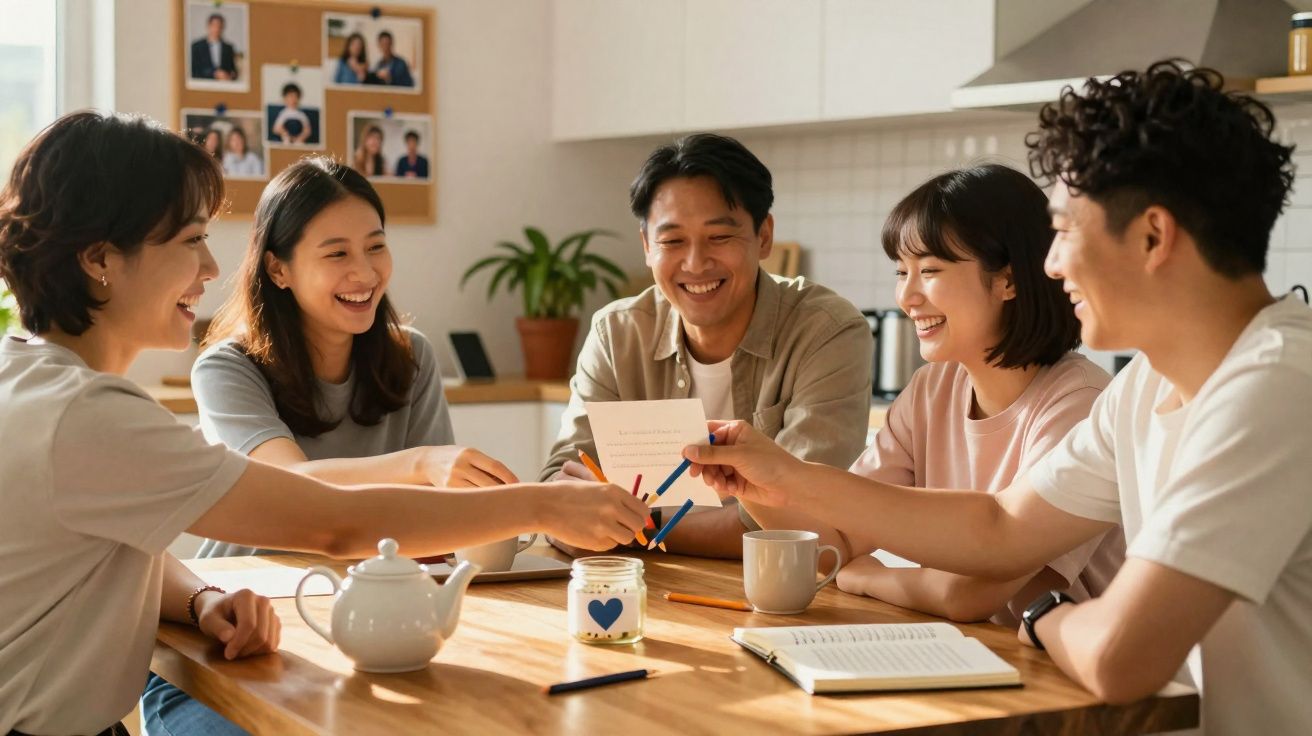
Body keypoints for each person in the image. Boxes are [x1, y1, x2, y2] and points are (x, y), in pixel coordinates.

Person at [684, 61, 1311, 733]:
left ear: (1154, 236)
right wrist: (787, 478)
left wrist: (1043, 617)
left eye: (1066, 229)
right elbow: (1002, 527)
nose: (1050, 262)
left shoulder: (1278, 385)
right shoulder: (1145, 385)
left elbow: (1122, 658)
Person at [0, 111, 647, 736]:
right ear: (100, 259)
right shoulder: (92, 417)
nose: (209, 267)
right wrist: (544, 505)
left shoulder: (39, 384)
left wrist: (201, 601)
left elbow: (124, 549)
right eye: (190, 239)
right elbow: (335, 524)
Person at [141, 156, 519, 733]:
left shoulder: (411, 357)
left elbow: (440, 528)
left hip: (368, 626)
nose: (365, 272)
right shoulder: (227, 366)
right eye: (337, 253)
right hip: (234, 634)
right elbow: (292, 487)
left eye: (375, 246)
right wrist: (422, 463)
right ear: (279, 268)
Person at [760, 163, 1125, 626]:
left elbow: (967, 596)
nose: (906, 296)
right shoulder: (931, 389)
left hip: (1067, 674)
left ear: (1008, 280)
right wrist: (753, 480)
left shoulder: (1079, 402)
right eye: (901, 272)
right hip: (976, 656)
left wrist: (867, 579)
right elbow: (833, 543)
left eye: (929, 270)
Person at [541, 133, 873, 559]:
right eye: (673, 241)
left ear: (764, 236)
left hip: (779, 598)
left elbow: (803, 517)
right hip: (638, 590)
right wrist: (565, 511)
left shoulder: (826, 331)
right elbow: (558, 487)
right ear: (646, 245)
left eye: (719, 237)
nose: (696, 263)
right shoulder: (617, 334)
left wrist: (635, 526)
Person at [189, 12, 238, 81]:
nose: (217, 29)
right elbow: (193, 71)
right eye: (214, 25)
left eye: (220, 26)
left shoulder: (228, 48)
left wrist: (231, 75)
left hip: (224, 86)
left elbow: (234, 71)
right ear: (208, 26)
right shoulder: (196, 46)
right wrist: (214, 74)